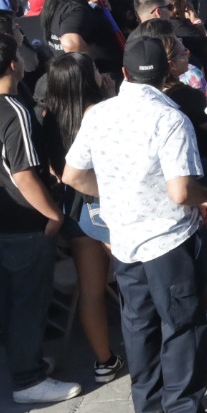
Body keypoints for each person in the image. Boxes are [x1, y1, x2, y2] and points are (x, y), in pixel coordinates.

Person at [60, 37, 207, 413]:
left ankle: (149, 409)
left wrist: (115, 195)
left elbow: (73, 175)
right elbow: (180, 191)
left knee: (138, 323)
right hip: (167, 238)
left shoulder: (98, 114)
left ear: (123, 73)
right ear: (168, 74)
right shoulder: (170, 118)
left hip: (124, 236)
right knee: (182, 325)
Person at [0, 36, 83, 405]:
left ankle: (25, 362)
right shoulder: (14, 112)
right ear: (12, 64)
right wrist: (52, 213)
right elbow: (23, 175)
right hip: (25, 224)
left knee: (10, 302)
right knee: (28, 304)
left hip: (5, 225)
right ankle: (28, 378)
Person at [36, 52, 123, 386]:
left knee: (90, 290)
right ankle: (148, 348)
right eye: (96, 69)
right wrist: (111, 97)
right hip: (106, 206)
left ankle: (104, 360)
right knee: (131, 283)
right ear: (86, 80)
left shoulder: (49, 117)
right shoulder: (101, 114)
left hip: (74, 209)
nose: (101, 72)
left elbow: (55, 169)